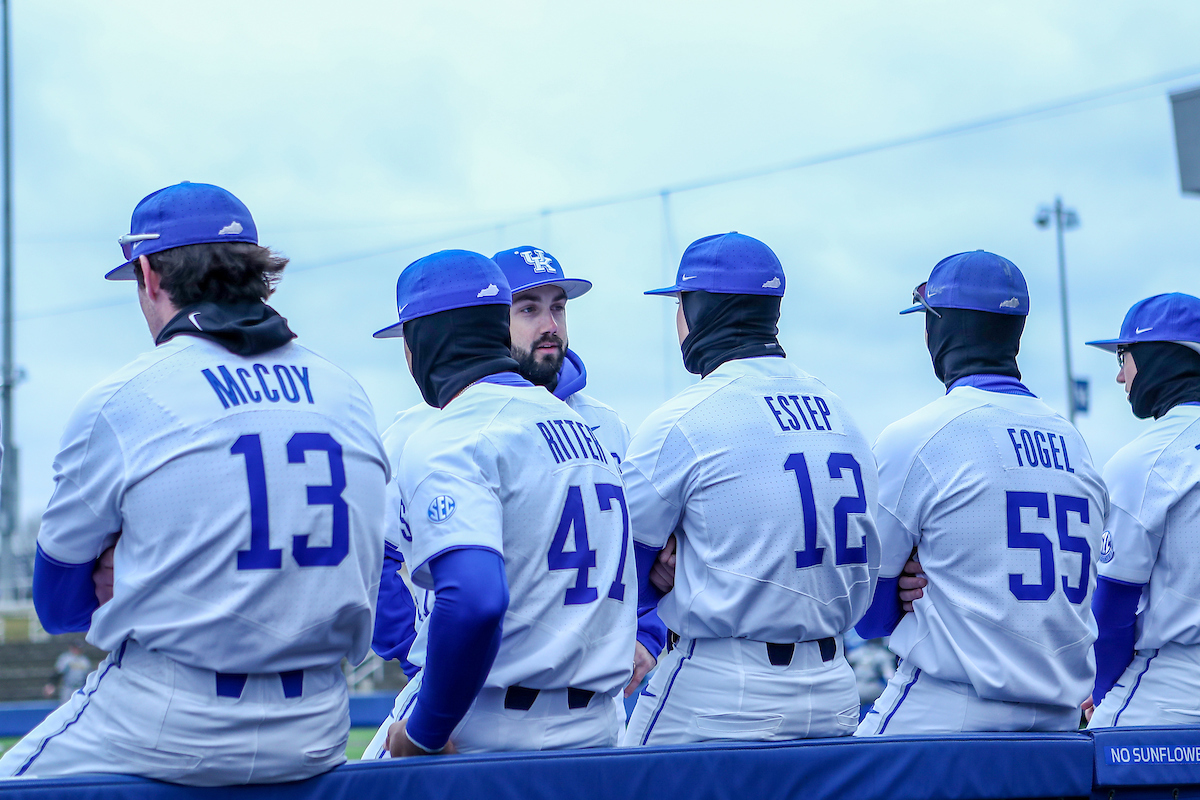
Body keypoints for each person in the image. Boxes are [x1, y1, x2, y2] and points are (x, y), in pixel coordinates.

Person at [0, 182, 390, 785]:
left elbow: (57, 605)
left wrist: (128, 568)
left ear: (150, 273)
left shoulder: (125, 398)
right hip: (316, 724)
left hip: (169, 720)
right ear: (259, 272)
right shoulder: (346, 392)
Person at [363, 249, 637, 758]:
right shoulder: (586, 429)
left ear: (420, 342)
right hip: (596, 724)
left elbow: (475, 601)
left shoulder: (448, 434)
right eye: (528, 308)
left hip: (479, 714)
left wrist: (427, 724)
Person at [621, 232, 879, 746]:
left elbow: (622, 569)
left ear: (698, 310)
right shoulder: (840, 411)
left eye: (679, 304)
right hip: (835, 686)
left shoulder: (684, 419)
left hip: (724, 687)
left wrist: (685, 566)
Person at [855, 250, 1107, 736]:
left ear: (942, 328)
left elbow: (866, 613)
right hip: (1060, 720)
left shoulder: (920, 435)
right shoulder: (1073, 441)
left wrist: (907, 593)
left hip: (950, 708)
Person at [1083, 293, 1200, 727]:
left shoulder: (1146, 458)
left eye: (1123, 355)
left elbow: (1112, 613)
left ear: (1157, 356)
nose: (1119, 376)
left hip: (1172, 686)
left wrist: (1101, 689)